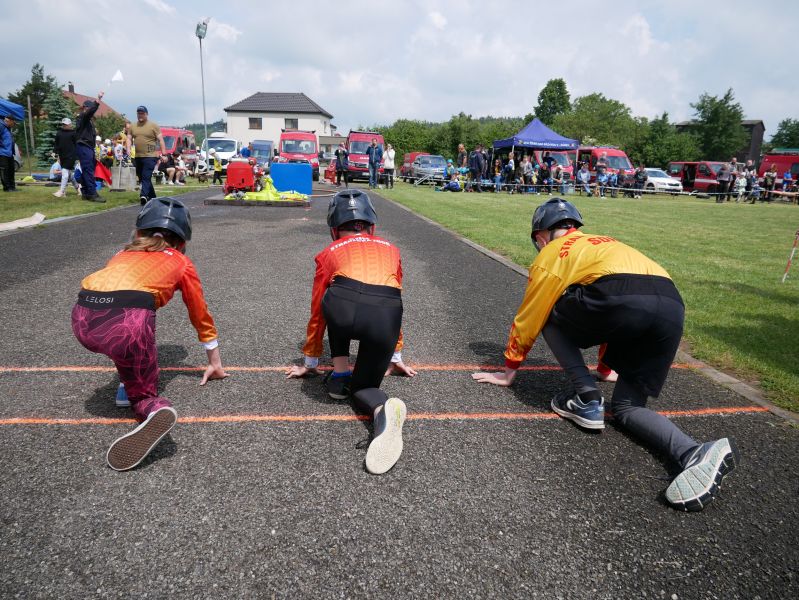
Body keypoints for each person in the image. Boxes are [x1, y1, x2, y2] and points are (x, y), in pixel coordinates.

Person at [472, 198, 739, 511]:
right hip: (671, 306)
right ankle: (693, 451)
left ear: (541, 237)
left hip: (620, 298)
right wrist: (605, 367)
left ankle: (587, 397)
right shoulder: (606, 243)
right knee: (627, 407)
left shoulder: (552, 253)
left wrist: (509, 370)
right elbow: (623, 305)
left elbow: (531, 314)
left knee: (549, 313)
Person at [72, 197, 228, 471]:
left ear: (139, 231)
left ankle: (127, 384)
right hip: (127, 323)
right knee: (134, 341)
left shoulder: (121, 254)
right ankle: (151, 406)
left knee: (124, 340)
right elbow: (199, 311)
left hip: (82, 317)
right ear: (182, 240)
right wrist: (214, 361)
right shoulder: (181, 261)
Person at [286, 189, 416, 474]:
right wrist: (396, 354)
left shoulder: (328, 252)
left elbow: (318, 311)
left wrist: (310, 361)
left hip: (343, 309)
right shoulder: (392, 249)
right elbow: (397, 299)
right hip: (386, 315)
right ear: (372, 227)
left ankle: (341, 372)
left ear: (334, 229)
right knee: (366, 388)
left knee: (334, 297)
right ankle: (382, 411)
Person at [127, 105, 166, 205]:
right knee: (142, 177)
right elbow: (129, 138)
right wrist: (128, 148)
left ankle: (143, 195)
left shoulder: (153, 126)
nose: (140, 115)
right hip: (138, 156)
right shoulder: (133, 126)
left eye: (142, 113)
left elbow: (161, 140)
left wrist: (164, 154)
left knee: (146, 175)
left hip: (151, 156)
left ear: (146, 114)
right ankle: (153, 197)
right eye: (138, 113)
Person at [74, 92, 105, 202]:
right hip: (84, 146)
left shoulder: (86, 120)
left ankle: (86, 192)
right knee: (88, 170)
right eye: (90, 108)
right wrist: (98, 100)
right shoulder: (83, 116)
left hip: (87, 147)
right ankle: (92, 194)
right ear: (85, 108)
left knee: (88, 169)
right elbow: (90, 112)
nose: (92, 110)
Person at [53, 117, 80, 198]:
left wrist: (78, 156)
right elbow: (56, 144)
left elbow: (77, 145)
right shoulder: (59, 133)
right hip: (62, 156)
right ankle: (78, 188)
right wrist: (54, 152)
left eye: (66, 124)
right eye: (63, 124)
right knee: (69, 174)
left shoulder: (74, 133)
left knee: (64, 173)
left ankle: (61, 191)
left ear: (70, 125)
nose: (64, 126)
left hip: (71, 156)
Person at [0, 114, 18, 192]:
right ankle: (7, 188)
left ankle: (12, 187)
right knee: (5, 171)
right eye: (13, 123)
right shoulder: (1, 126)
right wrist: (2, 145)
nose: (13, 125)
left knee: (11, 170)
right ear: (9, 121)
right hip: (2, 153)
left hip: (9, 153)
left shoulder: (8, 128)